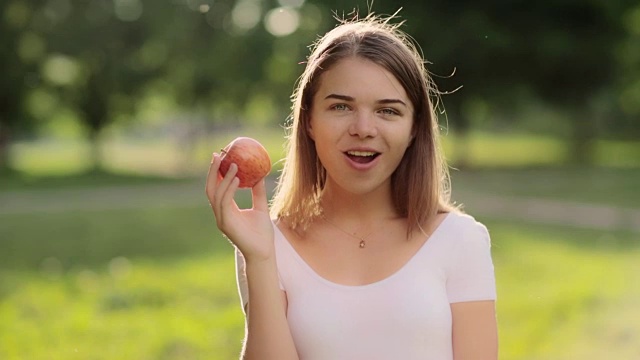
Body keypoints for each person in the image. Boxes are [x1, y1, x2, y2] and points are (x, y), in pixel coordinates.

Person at [206, 12, 498, 360]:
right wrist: (259, 258)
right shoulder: (267, 246)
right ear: (309, 121)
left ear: (414, 128)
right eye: (341, 106)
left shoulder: (460, 240)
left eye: (388, 111)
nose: (363, 128)